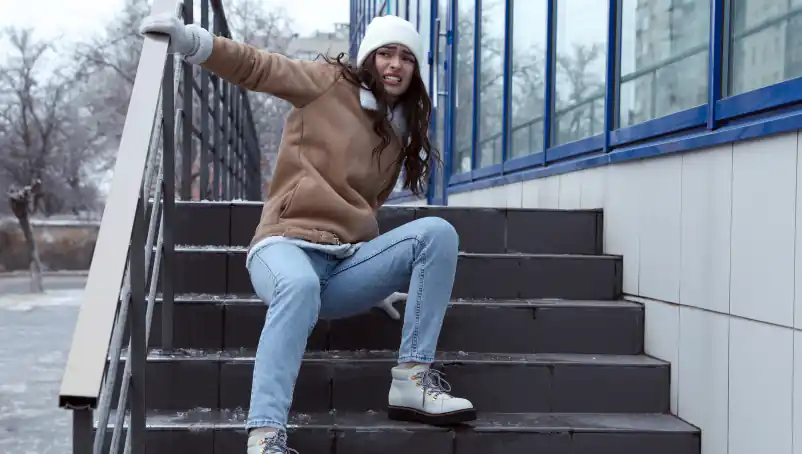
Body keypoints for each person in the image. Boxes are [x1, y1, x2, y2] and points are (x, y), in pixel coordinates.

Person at [139, 11, 476, 454]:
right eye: (386, 54)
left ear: (417, 70)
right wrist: (191, 42)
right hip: (284, 247)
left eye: (406, 58)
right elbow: (258, 66)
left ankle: (411, 380)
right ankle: (265, 436)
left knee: (438, 233)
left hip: (341, 266)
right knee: (298, 285)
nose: (395, 65)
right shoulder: (328, 84)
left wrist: (374, 283)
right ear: (369, 58)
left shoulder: (396, 132)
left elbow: (364, 209)